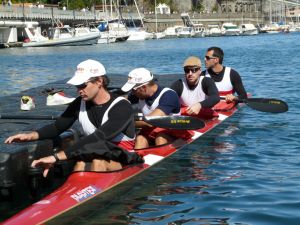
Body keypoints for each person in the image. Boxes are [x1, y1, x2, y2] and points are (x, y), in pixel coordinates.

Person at [5, 59, 143, 177]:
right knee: (80, 164)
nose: (79, 90)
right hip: (96, 152)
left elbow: (98, 138)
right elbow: (57, 127)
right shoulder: (79, 103)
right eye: (77, 86)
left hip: (125, 158)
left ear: (99, 81)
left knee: (97, 162)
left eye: (83, 85)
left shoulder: (122, 107)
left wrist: (55, 157)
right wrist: (30, 136)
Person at [121, 68, 180, 149]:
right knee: (140, 139)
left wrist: (123, 123)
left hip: (171, 133)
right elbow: (123, 101)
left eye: (133, 90)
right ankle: (137, 160)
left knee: (160, 138)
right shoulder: (137, 94)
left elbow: (150, 121)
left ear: (144, 87)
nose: (132, 92)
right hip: (150, 132)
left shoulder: (169, 95)